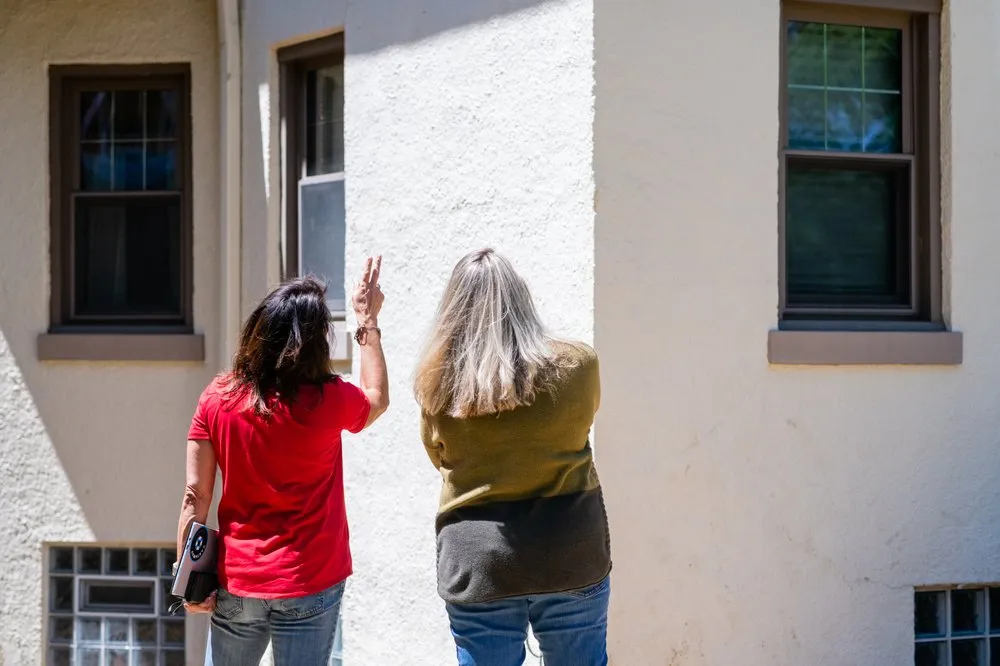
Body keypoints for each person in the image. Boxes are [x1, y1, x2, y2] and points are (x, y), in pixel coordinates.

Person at [175, 257, 388, 666]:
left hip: (239, 582)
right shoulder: (329, 399)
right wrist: (367, 321)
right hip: (310, 580)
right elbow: (376, 398)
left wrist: (187, 578)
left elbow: (195, 495)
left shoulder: (218, 398)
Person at [414, 249, 612, 666]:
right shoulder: (579, 365)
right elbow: (583, 423)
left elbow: (439, 457)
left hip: (478, 560)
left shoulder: (438, 385)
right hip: (569, 547)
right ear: (522, 295)